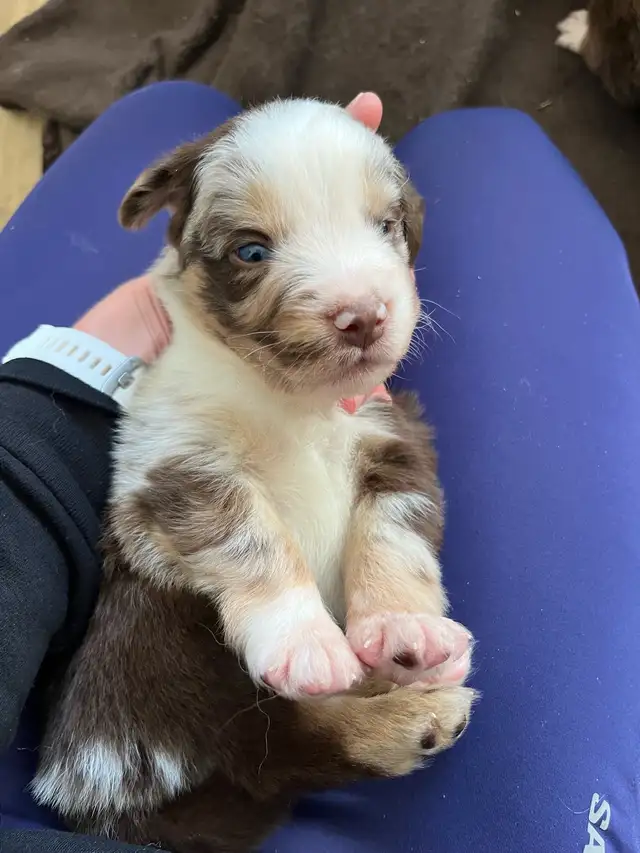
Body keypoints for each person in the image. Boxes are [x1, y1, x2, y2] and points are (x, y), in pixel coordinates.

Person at [1, 83, 639, 853]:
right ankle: (319, 729)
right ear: (188, 258)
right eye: (254, 248)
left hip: (44, 481)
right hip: (156, 762)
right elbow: (180, 486)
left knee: (170, 100)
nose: (357, 300)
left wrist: (393, 603)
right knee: (497, 136)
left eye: (382, 223)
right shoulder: (190, 380)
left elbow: (396, 477)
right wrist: (279, 603)